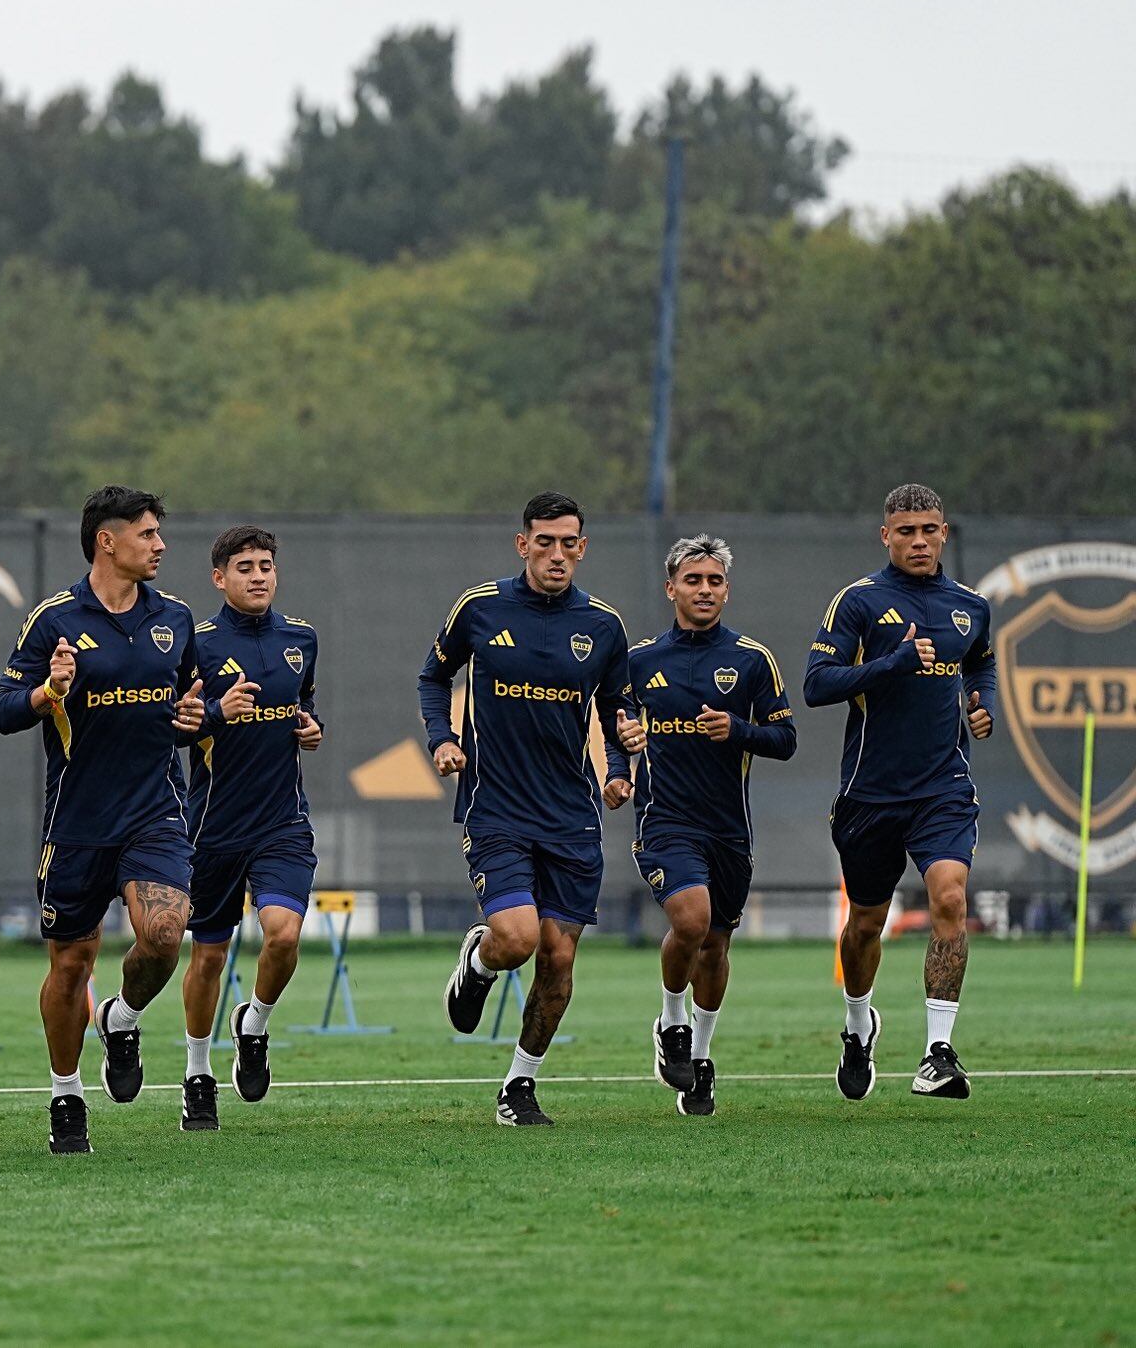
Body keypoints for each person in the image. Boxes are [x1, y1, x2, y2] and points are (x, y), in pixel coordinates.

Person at [0, 485, 206, 1154]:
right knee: (70, 965)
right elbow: (3, 711)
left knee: (167, 935)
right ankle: (65, 1096)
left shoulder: (176, 618)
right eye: (147, 534)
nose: (160, 544)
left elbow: (193, 708)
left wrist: (201, 717)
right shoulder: (54, 620)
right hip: (78, 824)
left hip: (154, 815)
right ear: (107, 541)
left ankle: (124, 1017)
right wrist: (47, 691)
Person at [423, 492, 645, 1126]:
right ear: (523, 545)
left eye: (568, 542)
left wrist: (622, 767)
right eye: (543, 542)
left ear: (582, 548)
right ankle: (479, 960)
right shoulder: (479, 608)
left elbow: (618, 708)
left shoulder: (603, 625)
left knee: (560, 958)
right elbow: (432, 677)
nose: (556, 554)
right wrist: (443, 738)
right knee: (517, 940)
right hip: (496, 808)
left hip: (572, 816)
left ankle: (519, 1085)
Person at [804, 483, 996, 1101]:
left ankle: (938, 1053)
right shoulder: (859, 603)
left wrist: (981, 701)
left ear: (945, 533)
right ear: (885, 535)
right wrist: (893, 663)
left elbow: (982, 661)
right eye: (906, 530)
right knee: (865, 925)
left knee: (949, 898)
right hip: (871, 795)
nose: (919, 540)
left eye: (930, 529)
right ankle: (859, 1026)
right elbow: (817, 684)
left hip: (943, 788)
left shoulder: (971, 605)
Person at [605, 535, 795, 1116]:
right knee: (691, 920)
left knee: (715, 947)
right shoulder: (640, 661)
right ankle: (670, 1023)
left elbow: (785, 739)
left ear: (726, 589)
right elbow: (615, 726)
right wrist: (619, 768)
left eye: (714, 581)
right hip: (665, 820)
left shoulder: (751, 659)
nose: (704, 590)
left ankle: (702, 1059)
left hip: (730, 830)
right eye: (693, 580)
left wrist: (737, 731)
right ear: (671, 588)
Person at [176, 525, 323, 1130]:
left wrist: (312, 728)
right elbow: (176, 724)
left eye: (266, 565)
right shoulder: (198, 644)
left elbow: (304, 706)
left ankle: (254, 1025)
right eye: (244, 567)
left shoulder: (301, 639)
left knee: (283, 936)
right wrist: (216, 712)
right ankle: (197, 1073)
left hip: (282, 822)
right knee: (207, 959)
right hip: (213, 828)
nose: (258, 575)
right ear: (220, 578)